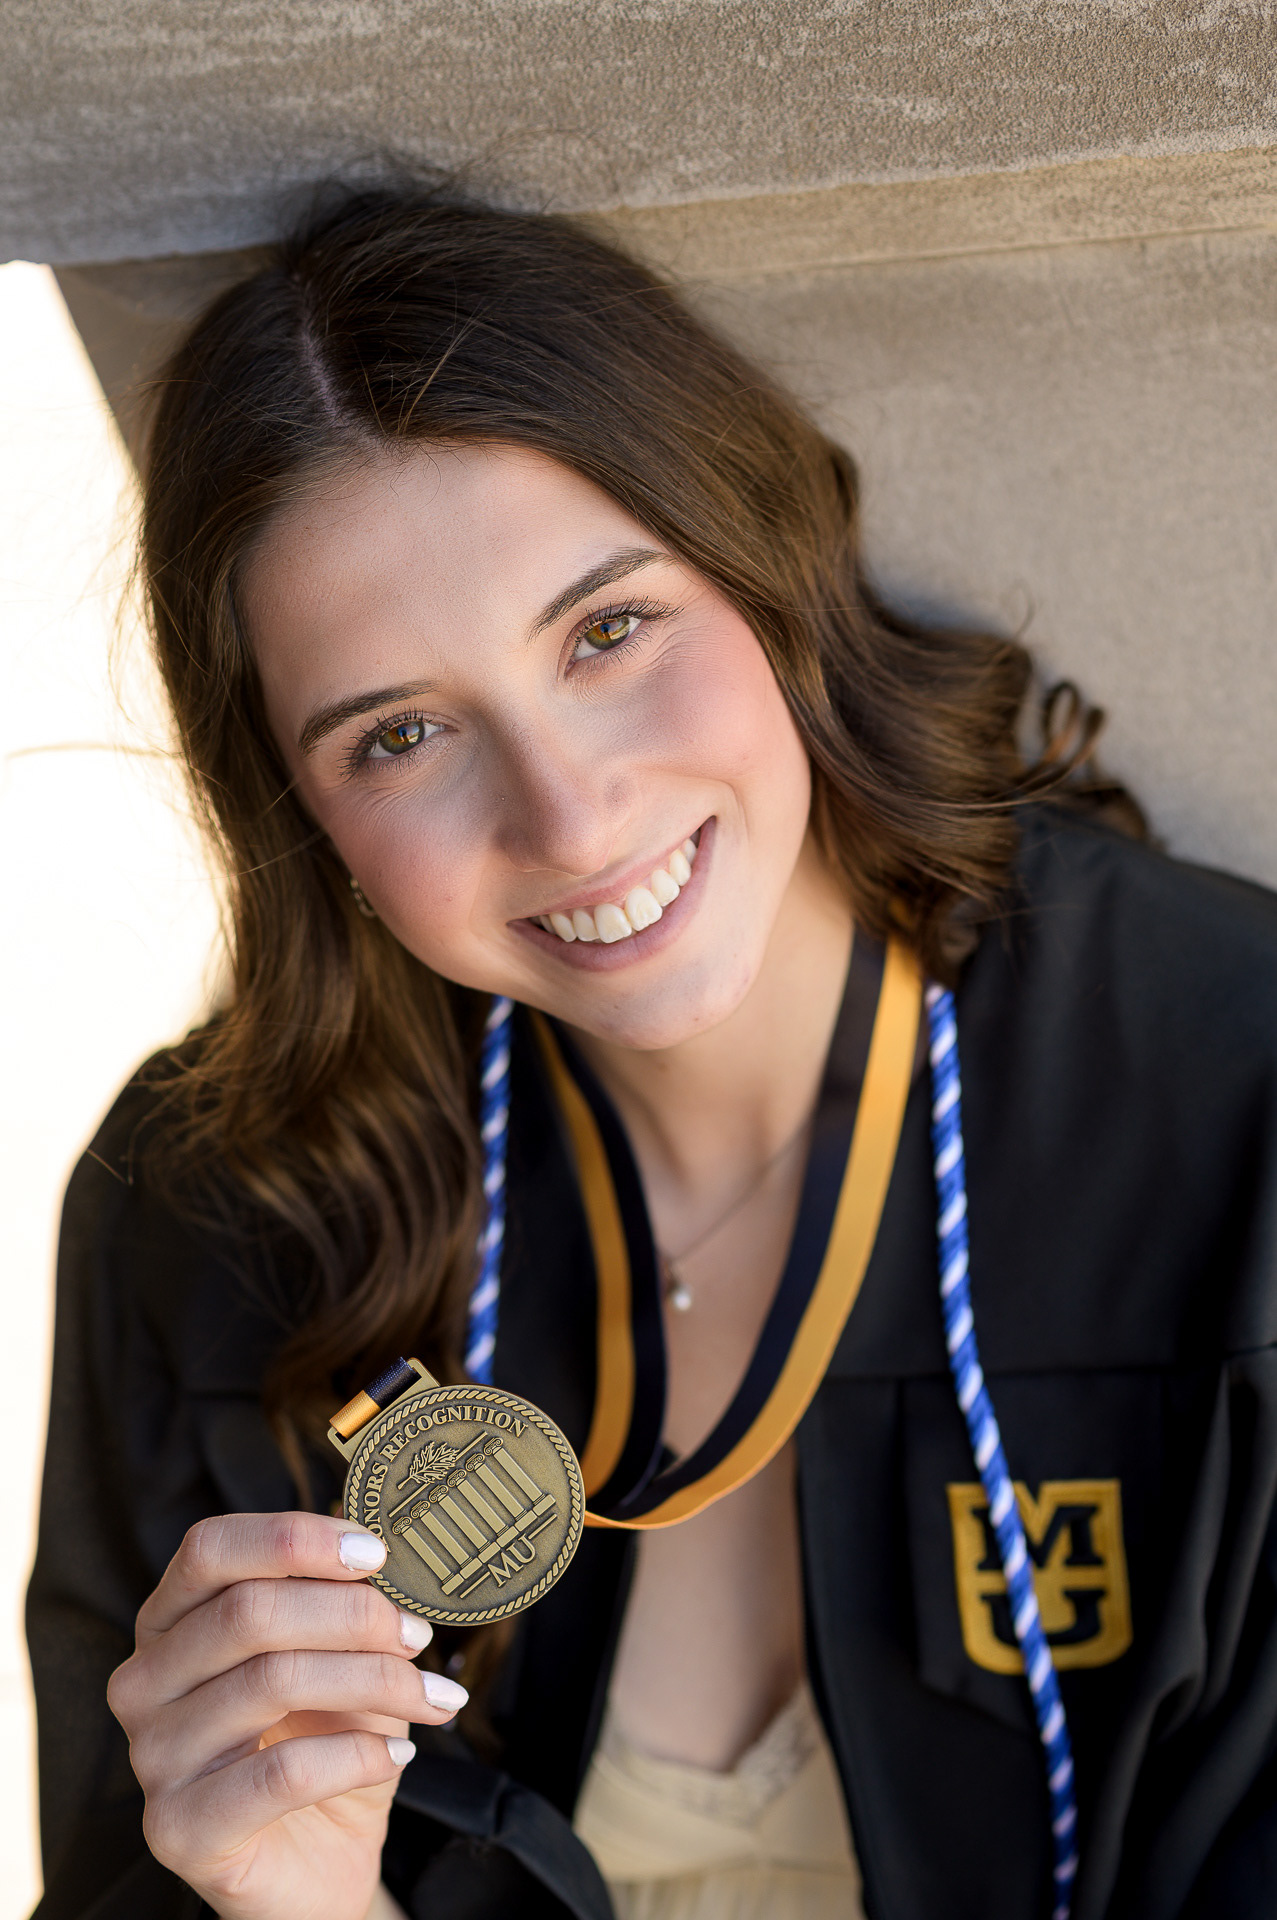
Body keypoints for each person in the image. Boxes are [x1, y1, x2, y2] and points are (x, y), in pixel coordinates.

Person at [27, 186, 1277, 1920]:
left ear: (763, 563)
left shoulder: (1242, 1107)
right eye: (398, 735)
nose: (569, 816)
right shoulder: (217, 1221)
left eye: (608, 631)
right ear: (300, 818)